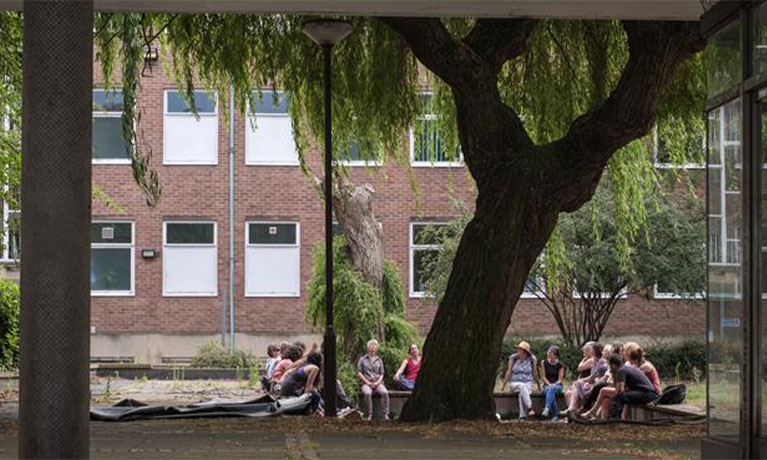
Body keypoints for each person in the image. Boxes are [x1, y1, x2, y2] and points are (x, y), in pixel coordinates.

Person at [603, 353, 659, 419]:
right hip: (648, 393)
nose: (609, 367)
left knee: (618, 398)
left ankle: (616, 420)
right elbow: (618, 389)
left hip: (647, 394)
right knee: (620, 397)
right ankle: (617, 418)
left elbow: (619, 390)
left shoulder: (622, 371)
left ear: (613, 365)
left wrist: (613, 374)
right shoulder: (625, 368)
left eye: (610, 365)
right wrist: (613, 374)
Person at [561, 342, 605, 416]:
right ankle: (572, 413)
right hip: (588, 382)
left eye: (589, 350)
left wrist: (583, 380)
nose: (585, 352)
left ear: (595, 350)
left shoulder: (597, 361)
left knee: (576, 385)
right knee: (568, 393)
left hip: (593, 383)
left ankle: (573, 410)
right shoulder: (594, 360)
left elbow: (580, 368)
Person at [501, 341, 539, 419]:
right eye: (518, 349)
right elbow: (509, 371)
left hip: (528, 383)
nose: (518, 351)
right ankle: (529, 408)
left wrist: (539, 386)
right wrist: (503, 386)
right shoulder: (513, 358)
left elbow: (534, 372)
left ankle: (522, 416)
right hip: (515, 383)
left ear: (525, 352)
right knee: (522, 386)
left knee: (522, 392)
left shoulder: (532, 359)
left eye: (519, 349)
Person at [357, 339, 389, 420]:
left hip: (378, 383)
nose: (373, 347)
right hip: (366, 383)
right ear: (368, 348)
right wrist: (367, 382)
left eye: (374, 345)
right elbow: (359, 373)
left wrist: (378, 382)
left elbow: (382, 373)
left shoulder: (379, 360)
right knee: (367, 393)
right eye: (371, 345)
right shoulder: (362, 359)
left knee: (385, 392)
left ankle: (385, 414)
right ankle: (369, 414)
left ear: (377, 348)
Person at [540, 345, 565, 422]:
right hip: (547, 385)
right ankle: (553, 415)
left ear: (555, 355)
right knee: (551, 391)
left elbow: (560, 379)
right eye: (549, 352)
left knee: (552, 389)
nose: (549, 354)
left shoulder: (560, 365)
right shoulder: (544, 362)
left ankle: (547, 409)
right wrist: (549, 384)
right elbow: (543, 377)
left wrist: (554, 385)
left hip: (557, 386)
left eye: (551, 353)